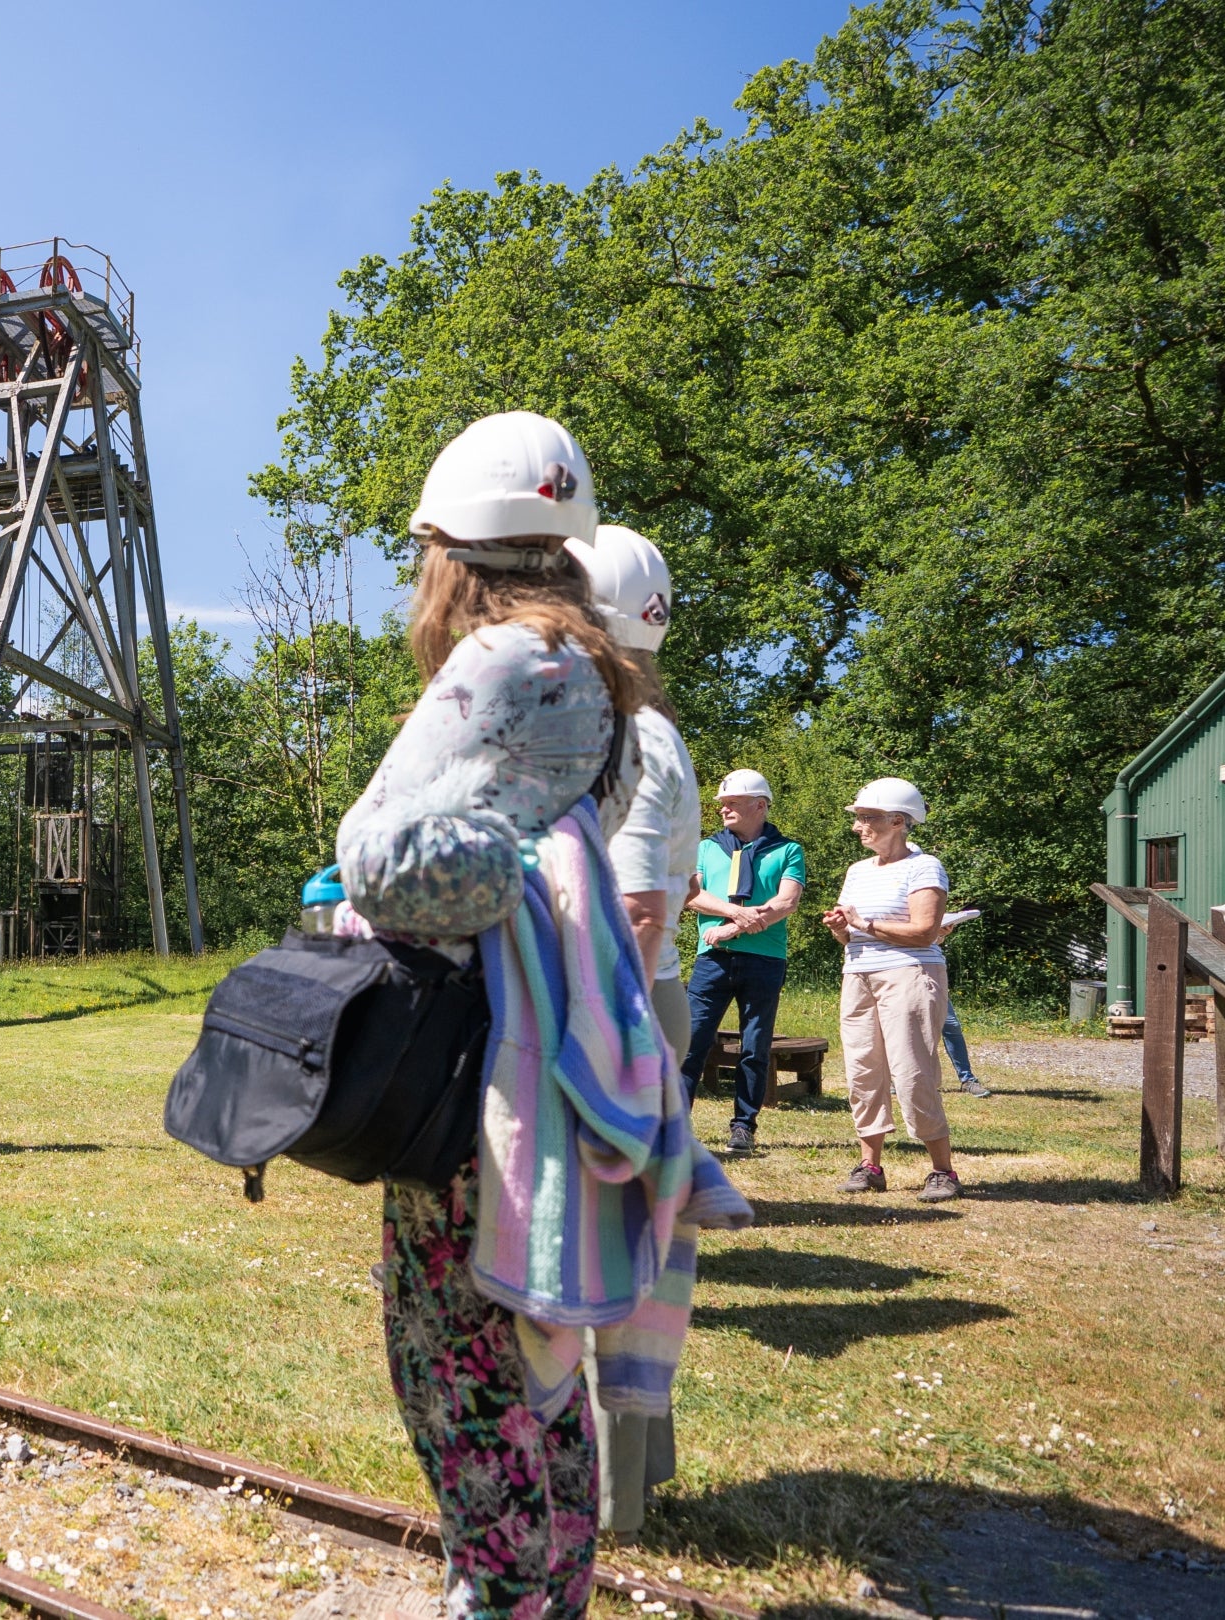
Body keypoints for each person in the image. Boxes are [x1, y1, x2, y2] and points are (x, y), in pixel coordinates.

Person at [331, 410, 745, 1618]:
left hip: (472, 1073)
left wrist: (416, 862)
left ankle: (502, 1600)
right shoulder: (609, 682)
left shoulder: (505, 658)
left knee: (459, 1377)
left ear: (453, 552)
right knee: (527, 1381)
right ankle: (542, 1591)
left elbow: (385, 858)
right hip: (540, 1057)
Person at [571, 522, 698, 1542]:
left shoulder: (634, 739)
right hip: (644, 999)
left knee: (610, 1253)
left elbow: (642, 904)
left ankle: (613, 1512)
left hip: (619, 1002)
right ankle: (639, 1476)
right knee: (642, 1251)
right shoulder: (653, 728)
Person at [823, 778, 963, 1201]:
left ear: (898, 821)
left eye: (867, 818)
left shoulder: (924, 867)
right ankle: (870, 1166)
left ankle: (943, 1171)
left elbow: (924, 932)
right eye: (859, 818)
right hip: (859, 975)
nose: (857, 826)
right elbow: (851, 936)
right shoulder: (857, 871)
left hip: (910, 974)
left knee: (913, 1072)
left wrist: (863, 924)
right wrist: (840, 930)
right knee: (863, 1072)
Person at [683, 768, 807, 1151]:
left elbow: (786, 902)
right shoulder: (706, 848)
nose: (724, 809)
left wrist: (732, 928)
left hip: (764, 958)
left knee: (755, 1045)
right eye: (722, 804)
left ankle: (744, 1125)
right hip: (712, 958)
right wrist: (738, 915)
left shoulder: (789, 850)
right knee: (690, 1041)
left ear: (760, 805)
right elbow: (691, 895)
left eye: (732, 803)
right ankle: (674, 1127)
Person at [935, 909, 991, 1099]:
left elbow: (930, 943)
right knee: (907, 1031)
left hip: (933, 976)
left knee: (951, 1025)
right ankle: (898, 1080)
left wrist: (939, 934)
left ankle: (967, 1080)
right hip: (905, 976)